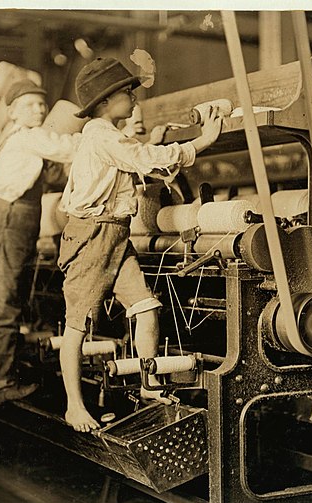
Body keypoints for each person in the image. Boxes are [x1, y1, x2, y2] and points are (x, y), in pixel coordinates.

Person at [57, 57, 223, 432]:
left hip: (115, 234)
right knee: (77, 326)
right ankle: (73, 406)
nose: (134, 98)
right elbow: (146, 159)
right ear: (103, 102)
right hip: (91, 235)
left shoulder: (109, 135)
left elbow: (143, 156)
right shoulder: (102, 135)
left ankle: (149, 385)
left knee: (146, 306)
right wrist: (202, 141)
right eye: (126, 93)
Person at [0, 78, 80, 406]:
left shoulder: (19, 139)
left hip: (11, 218)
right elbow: (69, 148)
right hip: (12, 220)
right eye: (30, 105)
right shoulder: (29, 137)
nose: (39, 109)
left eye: (40, 103)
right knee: (5, 303)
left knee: (3, 301)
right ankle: (0, 384)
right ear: (13, 112)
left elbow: (50, 176)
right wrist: (105, 135)